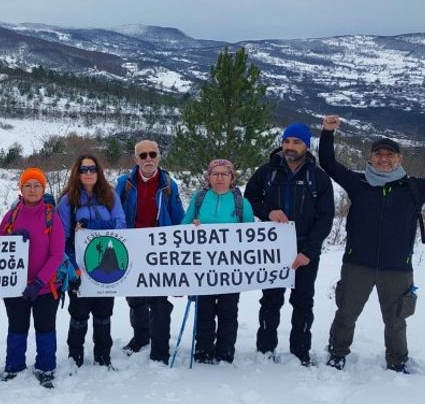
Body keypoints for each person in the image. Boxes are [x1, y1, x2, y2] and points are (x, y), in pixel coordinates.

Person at [320, 115, 425, 373]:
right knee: (346, 313)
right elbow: (329, 164)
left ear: (399, 159)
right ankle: (337, 352)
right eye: (378, 154)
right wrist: (327, 133)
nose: (384, 158)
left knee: (396, 320)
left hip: (398, 267)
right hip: (358, 264)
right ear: (370, 158)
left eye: (390, 155)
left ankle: (397, 361)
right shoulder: (359, 183)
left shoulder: (414, 188)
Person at [244, 123, 335, 366]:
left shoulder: (318, 177)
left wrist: (308, 252)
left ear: (307, 145)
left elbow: (325, 218)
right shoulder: (267, 172)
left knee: (303, 301)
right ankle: (265, 348)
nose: (290, 146)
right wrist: (268, 212)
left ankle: (300, 350)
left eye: (296, 142)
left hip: (305, 251)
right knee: (270, 300)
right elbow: (249, 200)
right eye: (286, 141)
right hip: (273, 250)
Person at [115, 140, 185, 364]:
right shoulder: (124, 183)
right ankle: (141, 337)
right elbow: (114, 212)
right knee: (135, 297)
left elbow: (177, 217)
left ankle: (160, 348)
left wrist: (183, 244)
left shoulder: (168, 184)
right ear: (135, 159)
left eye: (152, 154)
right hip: (131, 246)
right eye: (142, 155)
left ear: (159, 157)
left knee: (158, 299)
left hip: (159, 247)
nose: (148, 159)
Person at [0, 168, 65, 388]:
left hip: (45, 287)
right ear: (21, 188)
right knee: (17, 326)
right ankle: (14, 366)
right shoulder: (12, 215)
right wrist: (10, 238)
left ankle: (46, 367)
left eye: (37, 185)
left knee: (45, 328)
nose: (32, 189)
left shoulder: (51, 215)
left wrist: (39, 282)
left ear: (43, 189)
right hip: (15, 287)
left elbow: (57, 254)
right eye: (28, 185)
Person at [182, 159, 255, 364]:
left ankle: (225, 351)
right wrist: (192, 228)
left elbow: (253, 236)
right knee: (204, 311)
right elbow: (182, 227)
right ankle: (203, 350)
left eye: (225, 173)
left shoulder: (242, 202)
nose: (220, 177)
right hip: (203, 268)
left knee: (228, 311)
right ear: (209, 177)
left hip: (231, 269)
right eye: (215, 174)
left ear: (232, 177)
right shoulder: (199, 198)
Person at [57, 154, 126, 368]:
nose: (88, 173)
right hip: (79, 266)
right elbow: (63, 237)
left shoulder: (110, 195)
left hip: (108, 264)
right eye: (84, 169)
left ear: (99, 172)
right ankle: (75, 356)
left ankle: (103, 355)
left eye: (92, 169)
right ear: (77, 173)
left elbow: (121, 225)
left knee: (104, 312)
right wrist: (72, 269)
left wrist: (92, 226)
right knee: (78, 313)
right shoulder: (69, 200)